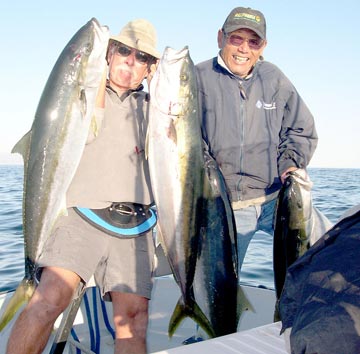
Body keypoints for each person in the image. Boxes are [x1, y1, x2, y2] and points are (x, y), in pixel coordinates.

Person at [6, 19, 160, 354]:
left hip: (136, 225)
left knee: (133, 319)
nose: (131, 62)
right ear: (108, 53)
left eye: (142, 58)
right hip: (81, 215)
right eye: (124, 51)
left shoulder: (157, 109)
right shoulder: (84, 95)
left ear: (151, 68)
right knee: (49, 300)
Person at [184, 6, 332, 343]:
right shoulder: (198, 77)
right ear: (221, 38)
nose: (243, 49)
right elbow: (184, 138)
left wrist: (291, 162)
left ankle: (320, 327)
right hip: (224, 209)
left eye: (253, 42)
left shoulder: (274, 78)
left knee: (335, 246)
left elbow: (300, 130)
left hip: (277, 201)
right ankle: (208, 343)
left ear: (263, 47)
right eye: (236, 39)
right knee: (217, 292)